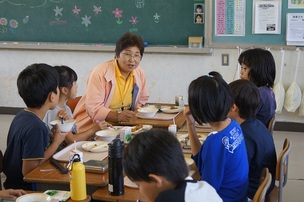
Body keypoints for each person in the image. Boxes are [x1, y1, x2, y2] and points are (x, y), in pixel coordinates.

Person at [184, 72, 249, 202]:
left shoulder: (215, 142)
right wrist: (190, 124)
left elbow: (208, 190)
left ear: (199, 109)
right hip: (238, 196)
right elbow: (200, 160)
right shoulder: (233, 125)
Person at [3, 63, 67, 190]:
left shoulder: (22, 115)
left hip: (12, 182)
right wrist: (56, 142)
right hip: (25, 188)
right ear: (52, 96)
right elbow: (28, 171)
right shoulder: (36, 127)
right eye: (57, 88)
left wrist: (52, 134)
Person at [73, 32, 149, 133]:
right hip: (93, 127)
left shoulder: (139, 73)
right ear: (117, 55)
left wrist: (133, 115)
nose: (132, 60)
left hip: (123, 126)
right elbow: (94, 108)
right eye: (127, 54)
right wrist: (117, 116)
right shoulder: (99, 73)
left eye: (136, 55)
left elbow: (142, 100)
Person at [123, 129, 222, 202]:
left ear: (156, 180)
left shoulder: (169, 199)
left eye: (139, 185)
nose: (140, 191)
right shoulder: (204, 187)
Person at [228, 79, 277, 199]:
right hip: (260, 184)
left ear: (233, 107)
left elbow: (233, 175)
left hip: (249, 192)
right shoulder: (257, 124)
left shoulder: (243, 137)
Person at [43, 65, 108, 146]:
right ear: (65, 90)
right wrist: (93, 130)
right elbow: (71, 140)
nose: (77, 86)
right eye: (74, 83)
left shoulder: (66, 108)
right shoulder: (54, 112)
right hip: (59, 156)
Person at [238, 48, 276, 127]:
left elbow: (241, 119)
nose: (241, 73)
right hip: (260, 134)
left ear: (258, 70)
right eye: (241, 68)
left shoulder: (258, 94)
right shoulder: (267, 91)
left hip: (252, 136)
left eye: (245, 68)